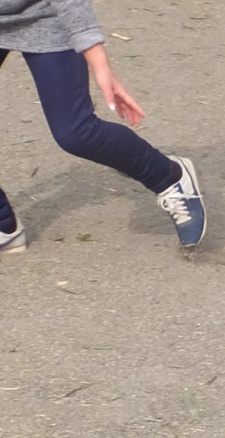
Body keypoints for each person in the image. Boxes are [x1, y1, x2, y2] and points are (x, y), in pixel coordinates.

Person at [0, 0, 206, 253]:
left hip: (46, 15)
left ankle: (169, 176)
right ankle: (4, 224)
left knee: (76, 133)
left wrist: (98, 62)